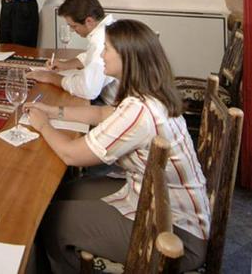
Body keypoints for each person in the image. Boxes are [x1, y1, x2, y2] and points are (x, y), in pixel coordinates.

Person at [25, 19, 210, 274]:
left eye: (107, 49)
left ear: (127, 57)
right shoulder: (147, 93)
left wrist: (43, 125)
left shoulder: (139, 111)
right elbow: (102, 114)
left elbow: (71, 155)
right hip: (157, 202)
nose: (101, 55)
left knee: (48, 219)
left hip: (174, 235)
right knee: (62, 192)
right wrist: (54, 111)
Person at [28, 0, 117, 102]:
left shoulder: (100, 41)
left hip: (110, 104)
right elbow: (89, 57)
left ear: (89, 21)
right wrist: (65, 65)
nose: (72, 30)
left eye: (74, 26)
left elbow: (88, 90)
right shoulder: (108, 28)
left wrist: (51, 77)